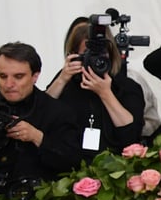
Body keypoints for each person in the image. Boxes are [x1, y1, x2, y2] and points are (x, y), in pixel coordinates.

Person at [0, 42, 83, 197]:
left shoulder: (57, 111)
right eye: (2, 76)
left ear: (35, 76)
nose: (9, 84)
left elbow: (73, 162)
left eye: (18, 76)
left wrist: (37, 137)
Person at [45, 17, 145, 156]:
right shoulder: (66, 82)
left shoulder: (127, 87)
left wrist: (105, 93)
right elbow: (41, 116)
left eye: (102, 54)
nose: (96, 59)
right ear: (73, 55)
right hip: (69, 163)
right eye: (88, 54)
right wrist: (62, 79)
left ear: (111, 53)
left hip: (113, 165)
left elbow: (130, 137)